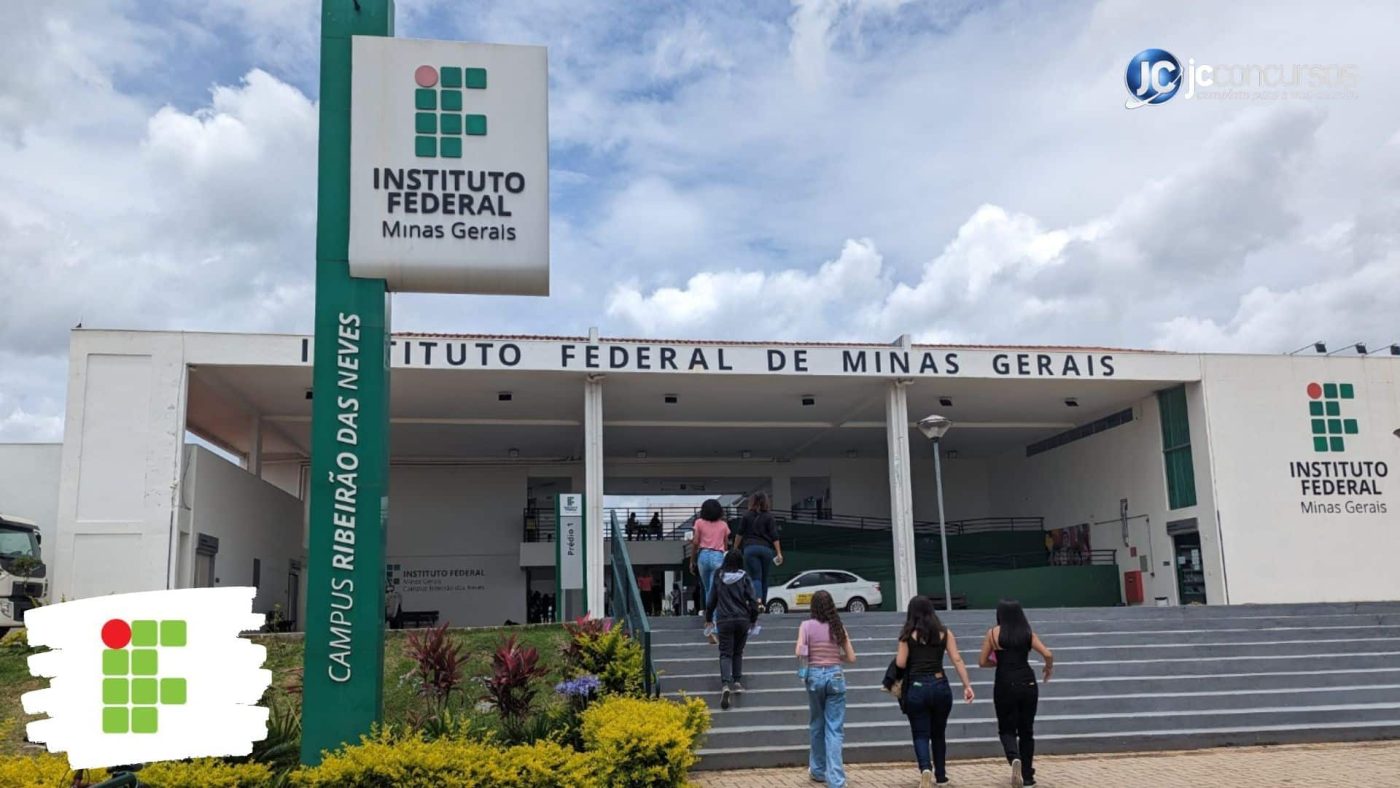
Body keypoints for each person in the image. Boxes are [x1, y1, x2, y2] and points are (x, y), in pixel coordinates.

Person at [897, 595, 975, 787]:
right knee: (938, 734)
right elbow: (956, 659)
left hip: (917, 687)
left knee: (920, 734)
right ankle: (941, 776)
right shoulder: (944, 633)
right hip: (940, 685)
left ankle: (925, 768)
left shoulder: (907, 635)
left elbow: (900, 663)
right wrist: (967, 685)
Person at [979, 600, 1054, 787]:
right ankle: (1027, 776)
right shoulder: (1027, 633)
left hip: (1005, 682)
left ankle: (1014, 758)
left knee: (1006, 728)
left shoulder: (993, 634)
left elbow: (982, 661)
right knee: (1026, 730)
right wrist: (1048, 667)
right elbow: (1048, 654)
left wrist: (998, 663)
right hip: (1027, 681)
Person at [796, 590, 857, 787]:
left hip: (814, 677)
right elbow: (852, 657)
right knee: (834, 729)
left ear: (813, 607)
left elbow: (799, 651)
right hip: (836, 677)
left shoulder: (806, 626)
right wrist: (836, 658)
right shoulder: (838, 626)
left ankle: (818, 770)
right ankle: (836, 780)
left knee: (817, 724)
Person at [705, 549, 759, 710]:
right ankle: (737, 682)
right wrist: (753, 619)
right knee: (738, 652)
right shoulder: (744, 576)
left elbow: (711, 599)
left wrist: (708, 618)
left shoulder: (719, 575)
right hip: (742, 619)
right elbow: (753, 600)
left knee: (725, 653)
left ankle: (725, 684)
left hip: (724, 620)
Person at [690, 499, 731, 643]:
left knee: (707, 590)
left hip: (703, 555)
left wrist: (692, 560)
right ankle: (714, 627)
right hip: (718, 556)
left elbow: (695, 542)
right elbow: (726, 545)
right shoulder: (723, 525)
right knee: (716, 592)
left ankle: (709, 625)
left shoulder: (699, 523)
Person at [735, 492, 783, 607]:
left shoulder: (746, 516)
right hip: (766, 549)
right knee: (764, 578)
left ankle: (758, 600)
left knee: (756, 576)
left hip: (750, 548)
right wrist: (779, 553)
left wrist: (735, 548)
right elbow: (774, 536)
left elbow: (739, 533)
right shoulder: (769, 517)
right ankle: (763, 604)